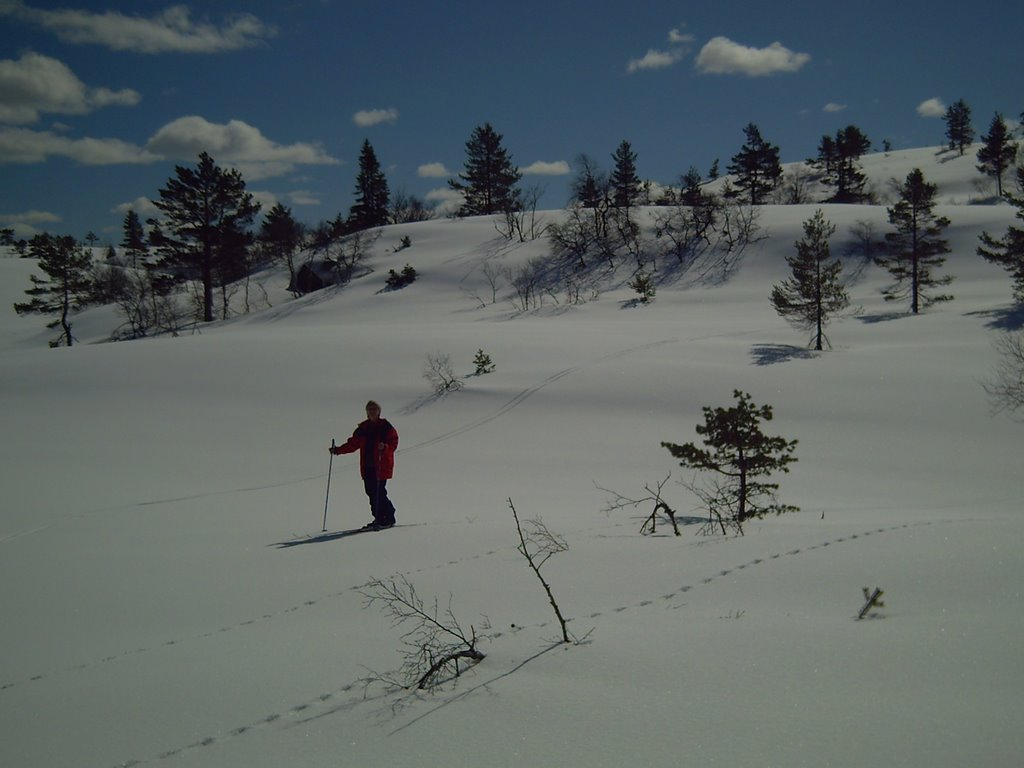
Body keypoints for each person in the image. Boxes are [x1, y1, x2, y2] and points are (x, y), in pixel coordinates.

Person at [330, 400, 399, 530]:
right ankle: (379, 518)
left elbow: (393, 443)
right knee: (371, 492)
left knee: (379, 492)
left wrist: (384, 447)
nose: (372, 412)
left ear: (379, 412)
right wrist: (338, 450)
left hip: (381, 465)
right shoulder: (363, 428)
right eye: (370, 410)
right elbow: (353, 444)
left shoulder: (386, 427)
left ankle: (388, 517)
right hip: (367, 466)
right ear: (367, 412)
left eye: (374, 409)